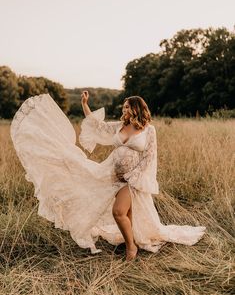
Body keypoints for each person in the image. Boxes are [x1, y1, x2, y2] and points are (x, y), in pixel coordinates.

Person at [10, 91, 206, 262]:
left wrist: (134, 175)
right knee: (125, 213)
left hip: (133, 179)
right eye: (124, 107)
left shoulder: (149, 130)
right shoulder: (120, 126)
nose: (124, 110)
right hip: (112, 175)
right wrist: (85, 105)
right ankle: (133, 241)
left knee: (118, 212)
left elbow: (149, 156)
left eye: (128, 107)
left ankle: (132, 247)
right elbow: (98, 126)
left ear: (137, 108)